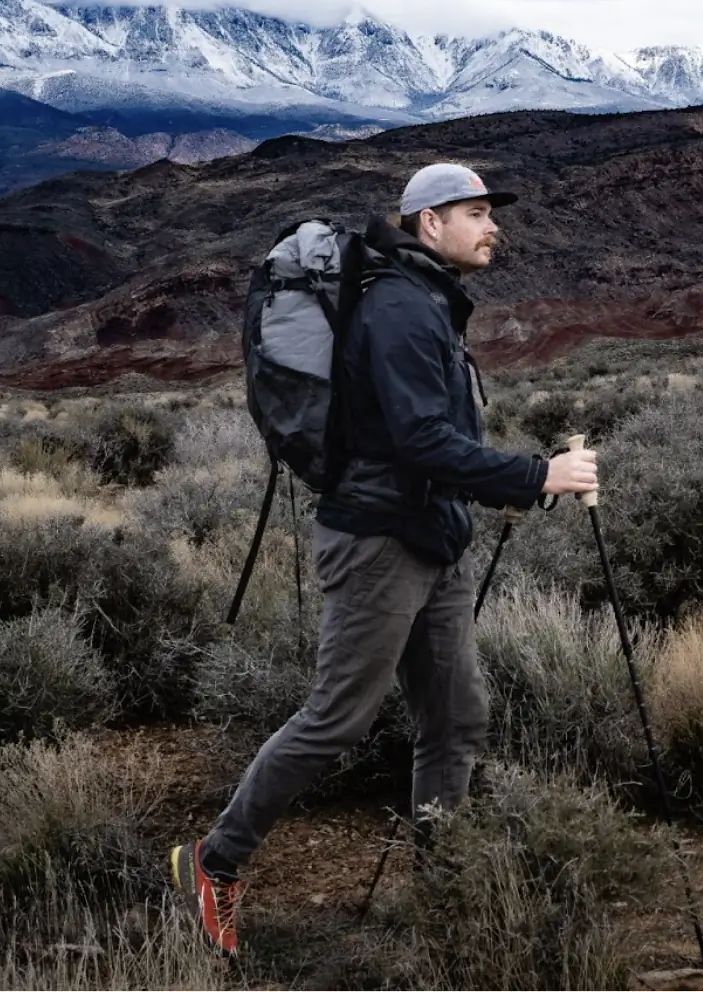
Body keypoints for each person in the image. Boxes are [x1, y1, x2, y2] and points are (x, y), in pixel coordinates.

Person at [170, 162, 600, 956]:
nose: (493, 227)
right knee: (338, 719)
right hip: (378, 542)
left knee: (455, 717)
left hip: (433, 536)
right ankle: (214, 861)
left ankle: (443, 893)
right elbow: (421, 441)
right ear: (430, 223)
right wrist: (537, 476)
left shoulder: (428, 297)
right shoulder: (401, 305)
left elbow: (436, 439)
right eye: (476, 213)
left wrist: (504, 483)